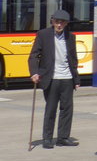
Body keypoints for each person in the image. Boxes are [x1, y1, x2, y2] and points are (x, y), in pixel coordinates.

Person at [28, 8, 80, 148]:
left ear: (66, 24)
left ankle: (63, 137)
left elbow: (73, 59)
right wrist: (34, 72)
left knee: (67, 109)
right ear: (52, 22)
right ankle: (47, 138)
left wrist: (76, 80)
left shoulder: (71, 37)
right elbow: (33, 55)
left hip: (67, 78)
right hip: (51, 78)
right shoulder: (43, 35)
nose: (59, 25)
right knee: (51, 109)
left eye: (62, 23)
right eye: (57, 22)